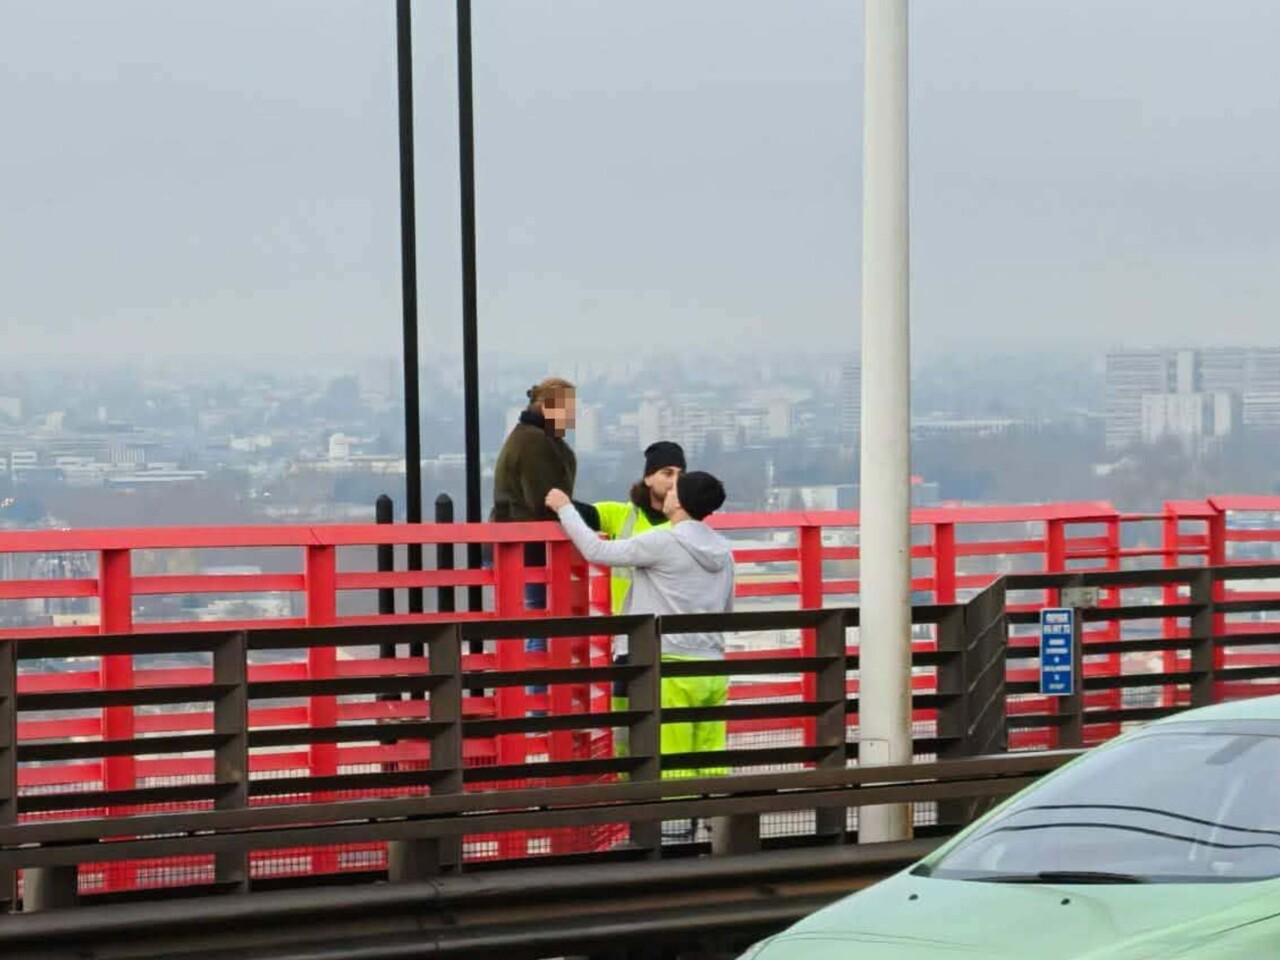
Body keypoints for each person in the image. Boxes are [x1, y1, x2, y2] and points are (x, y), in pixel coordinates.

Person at [546, 472, 734, 790]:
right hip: (713, 668)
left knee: (672, 764)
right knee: (709, 760)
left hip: (672, 667)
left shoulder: (664, 540)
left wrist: (565, 508)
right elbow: (726, 611)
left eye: (675, 489)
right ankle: (718, 832)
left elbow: (597, 551)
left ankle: (676, 836)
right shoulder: (723, 552)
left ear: (679, 501)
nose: (669, 492)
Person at [491, 377, 597, 710]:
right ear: (549, 407)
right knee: (540, 629)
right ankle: (537, 712)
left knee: (536, 628)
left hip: (524, 549)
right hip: (530, 551)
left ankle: (535, 710)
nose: (574, 416)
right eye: (569, 408)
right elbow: (545, 500)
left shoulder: (533, 439)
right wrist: (588, 517)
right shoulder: (535, 443)